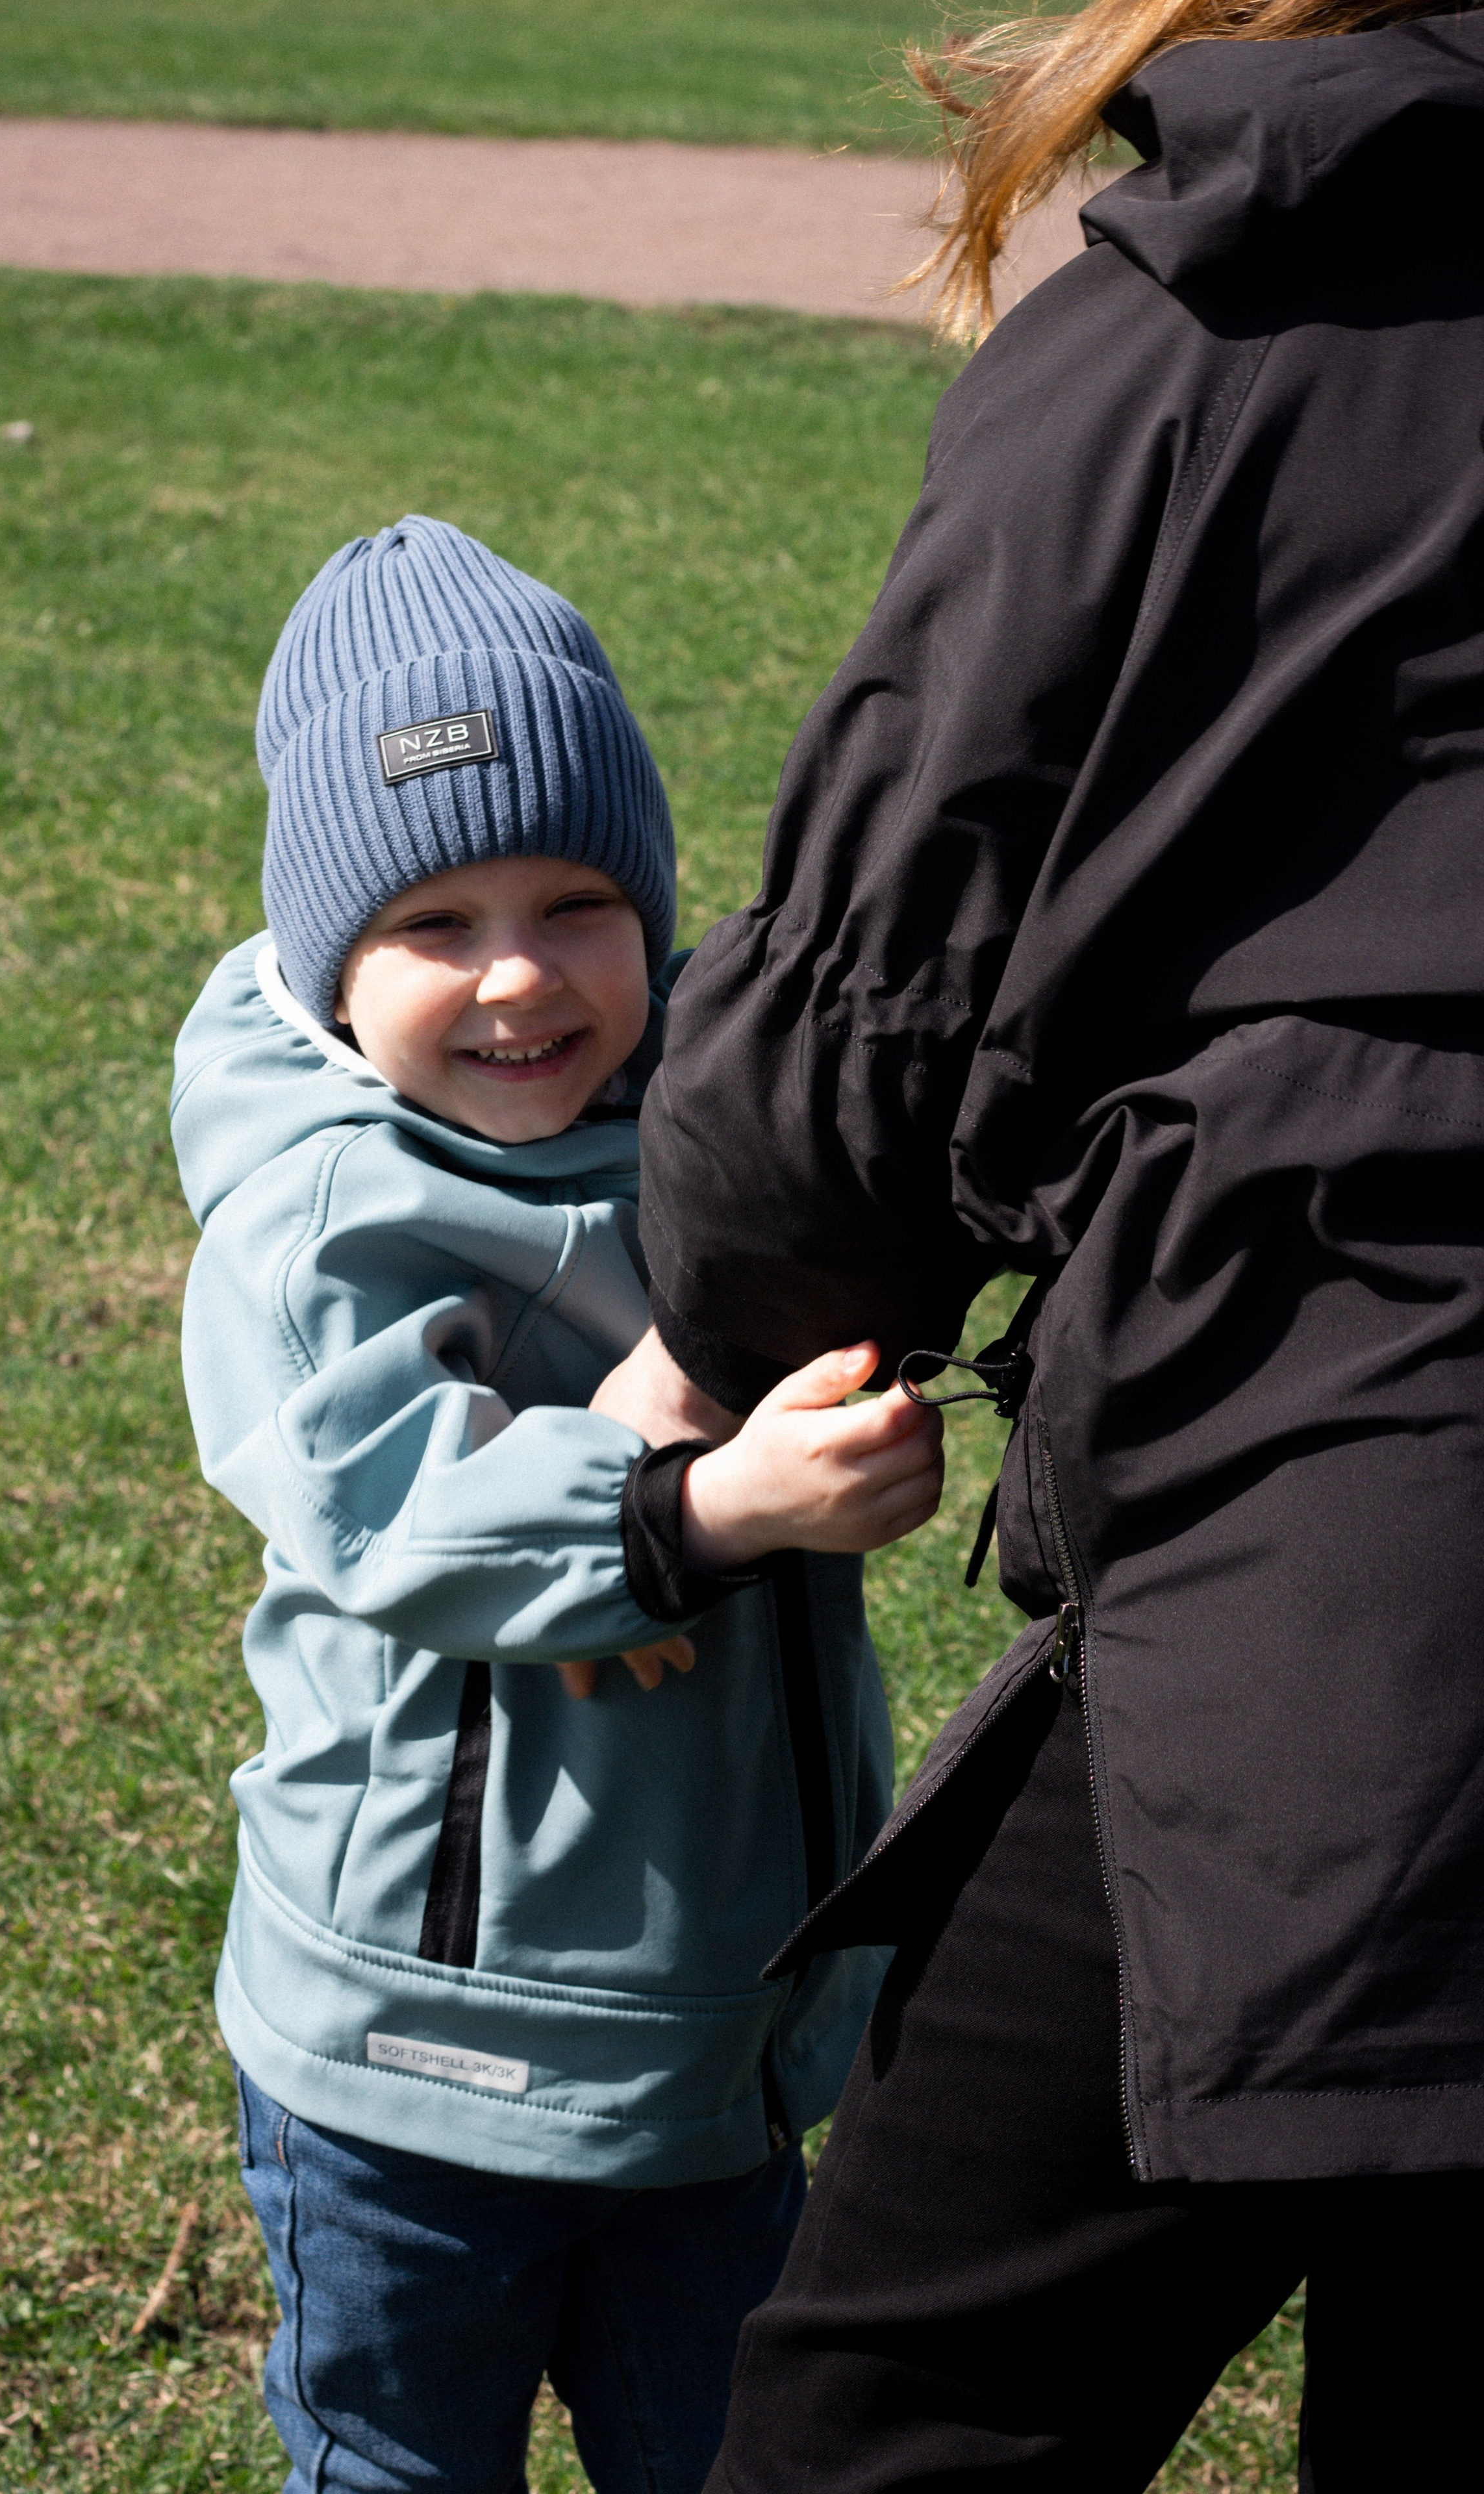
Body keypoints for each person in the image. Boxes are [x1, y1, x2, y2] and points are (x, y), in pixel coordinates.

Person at [592, 2, 1484, 2484]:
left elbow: (869, 1009)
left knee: (901, 2407)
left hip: (1358, 1579)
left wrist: (734, 1351)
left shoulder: (1199, 325)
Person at [169, 518, 942, 2494]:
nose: (517, 972)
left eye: (580, 901)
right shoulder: (315, 1212)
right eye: (434, 925)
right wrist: (704, 1505)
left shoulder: (714, 1133)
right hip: (419, 2065)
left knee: (718, 2454)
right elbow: (385, 1500)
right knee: (405, 2464)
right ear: (330, 965)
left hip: (712, 2041)